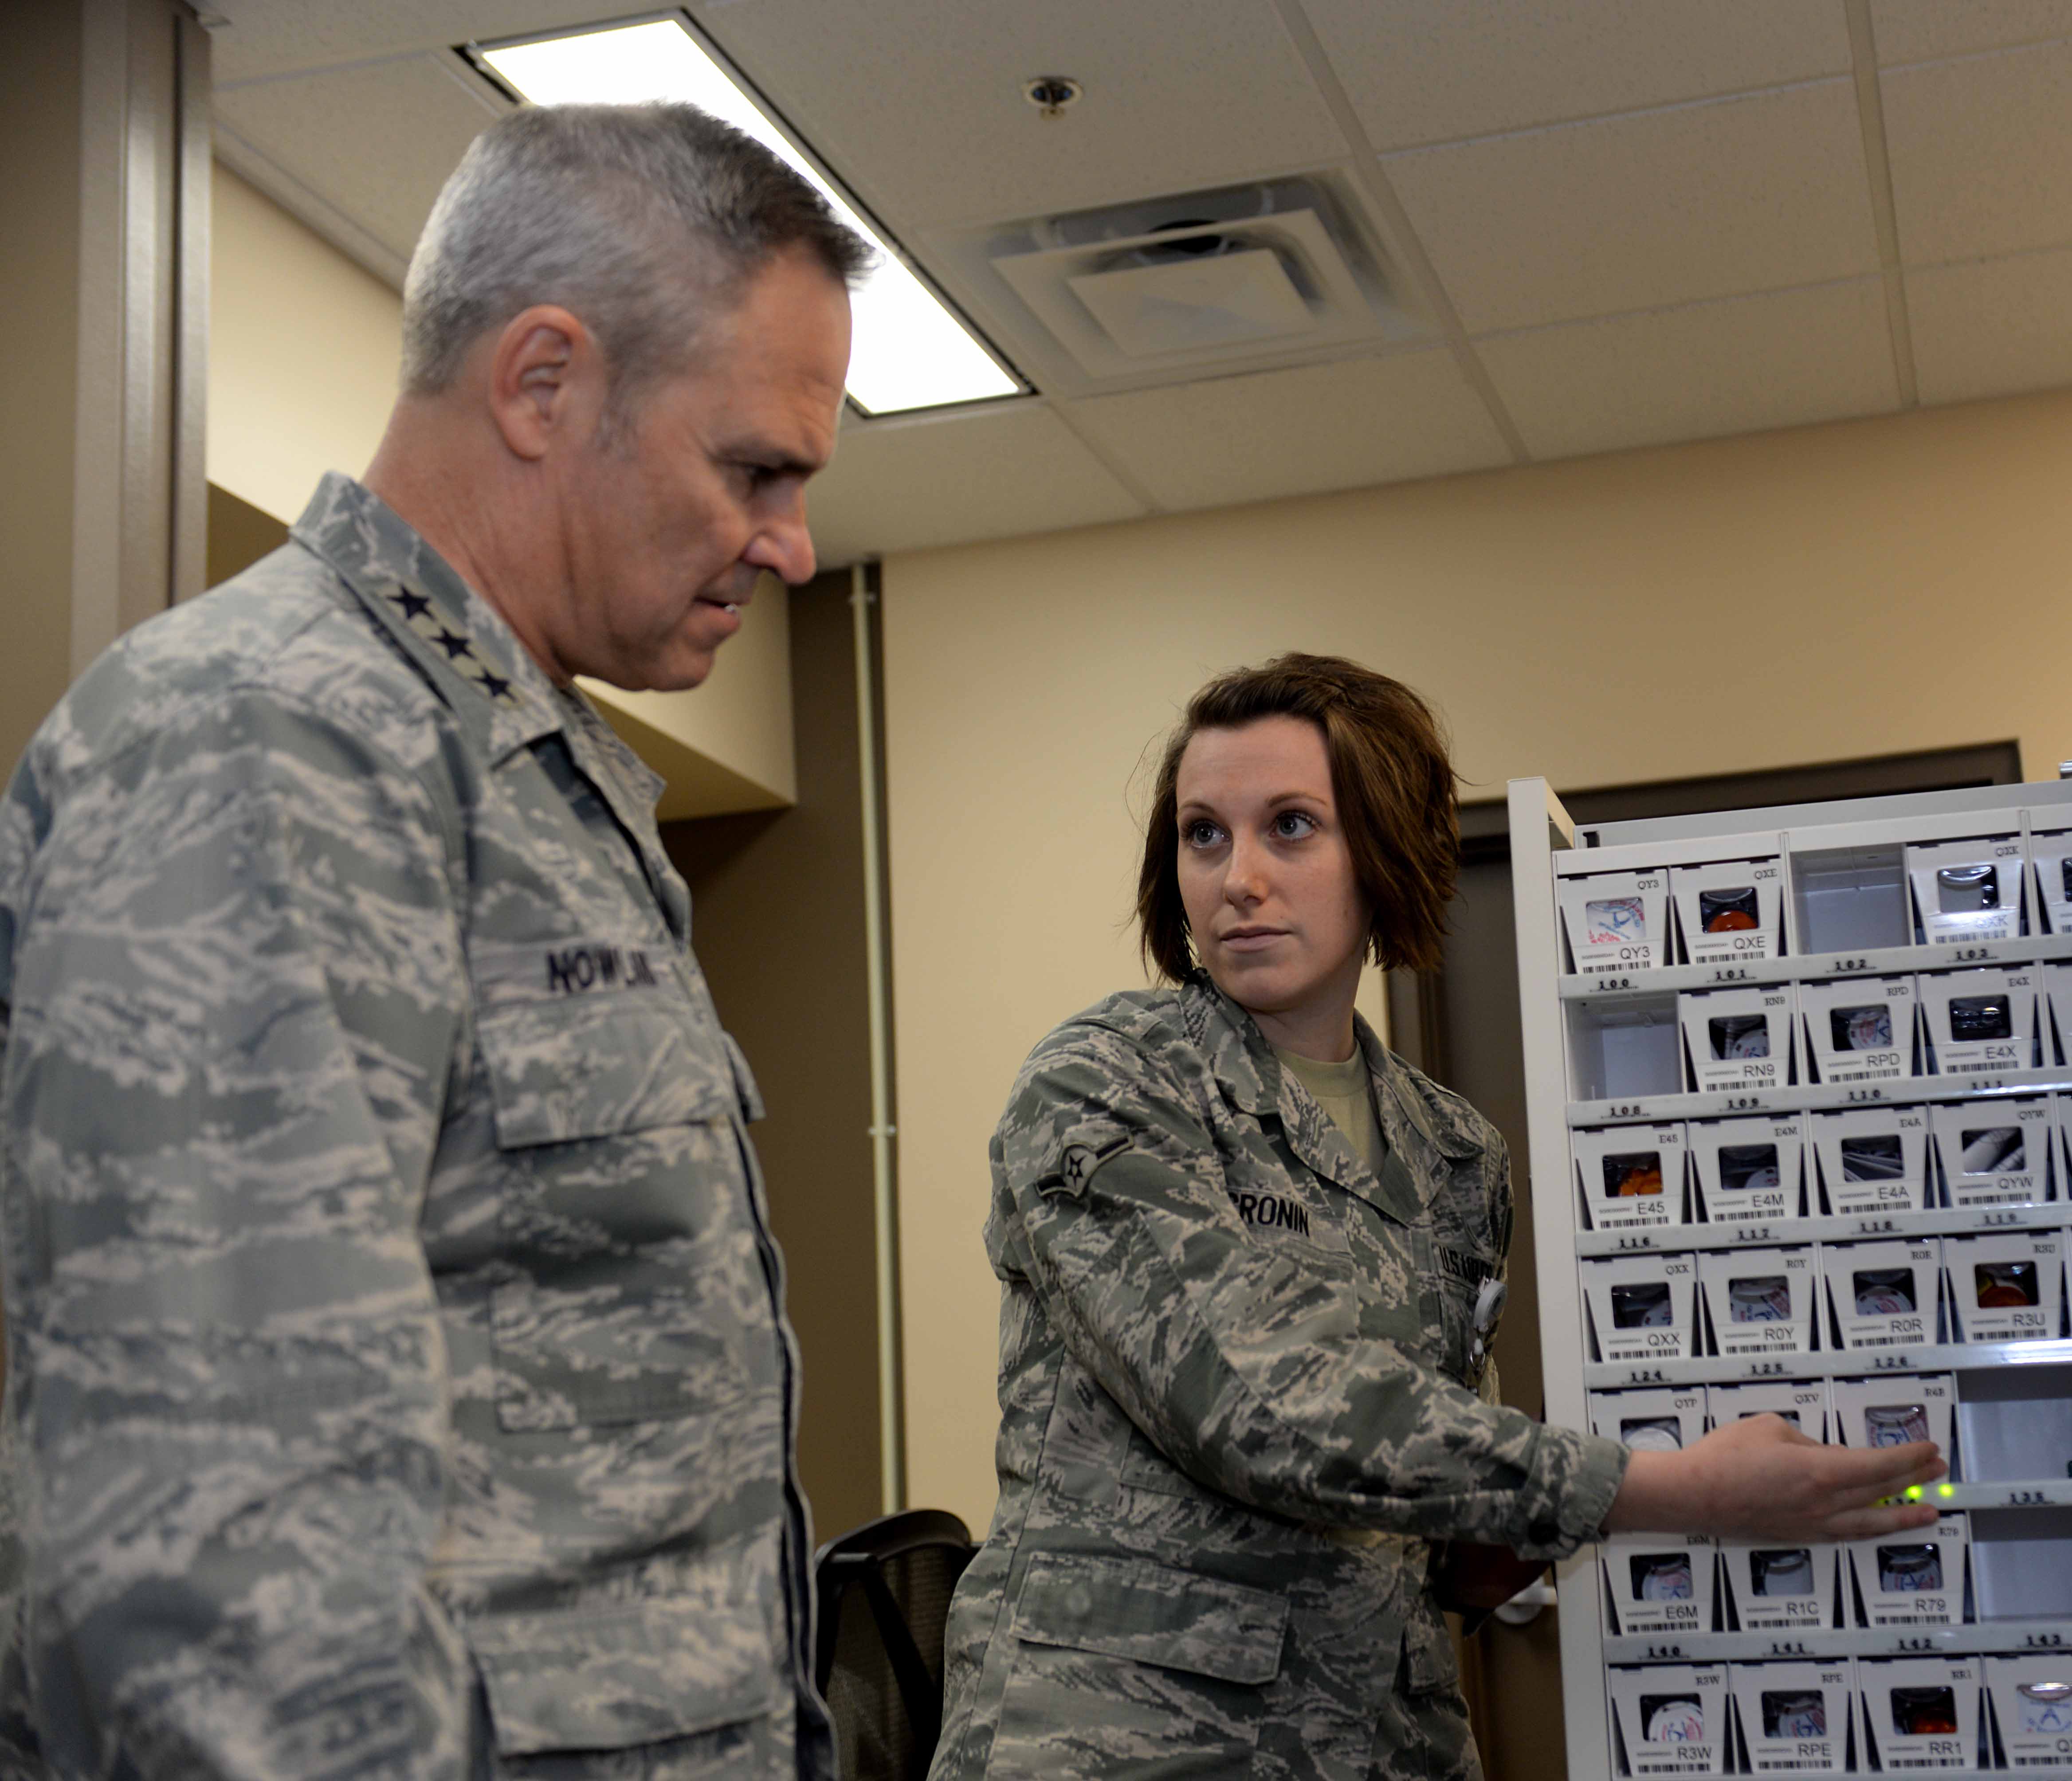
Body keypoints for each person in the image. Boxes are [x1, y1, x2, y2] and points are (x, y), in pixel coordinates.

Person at [0, 102, 863, 1779]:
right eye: (753, 467)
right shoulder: (267, 739)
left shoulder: (515, 765)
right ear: (545, 383)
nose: (789, 542)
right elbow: (223, 1562)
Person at [933, 655, 1945, 1781]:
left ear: (1383, 854)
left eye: (1291, 827)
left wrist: (1514, 1533)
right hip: (1127, 1742)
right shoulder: (1107, 1080)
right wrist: (1670, 1488)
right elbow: (1257, 1402)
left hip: (1381, 1742)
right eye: (1203, 835)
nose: (1238, 878)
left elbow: (1439, 1517)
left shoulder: (1454, 1152)